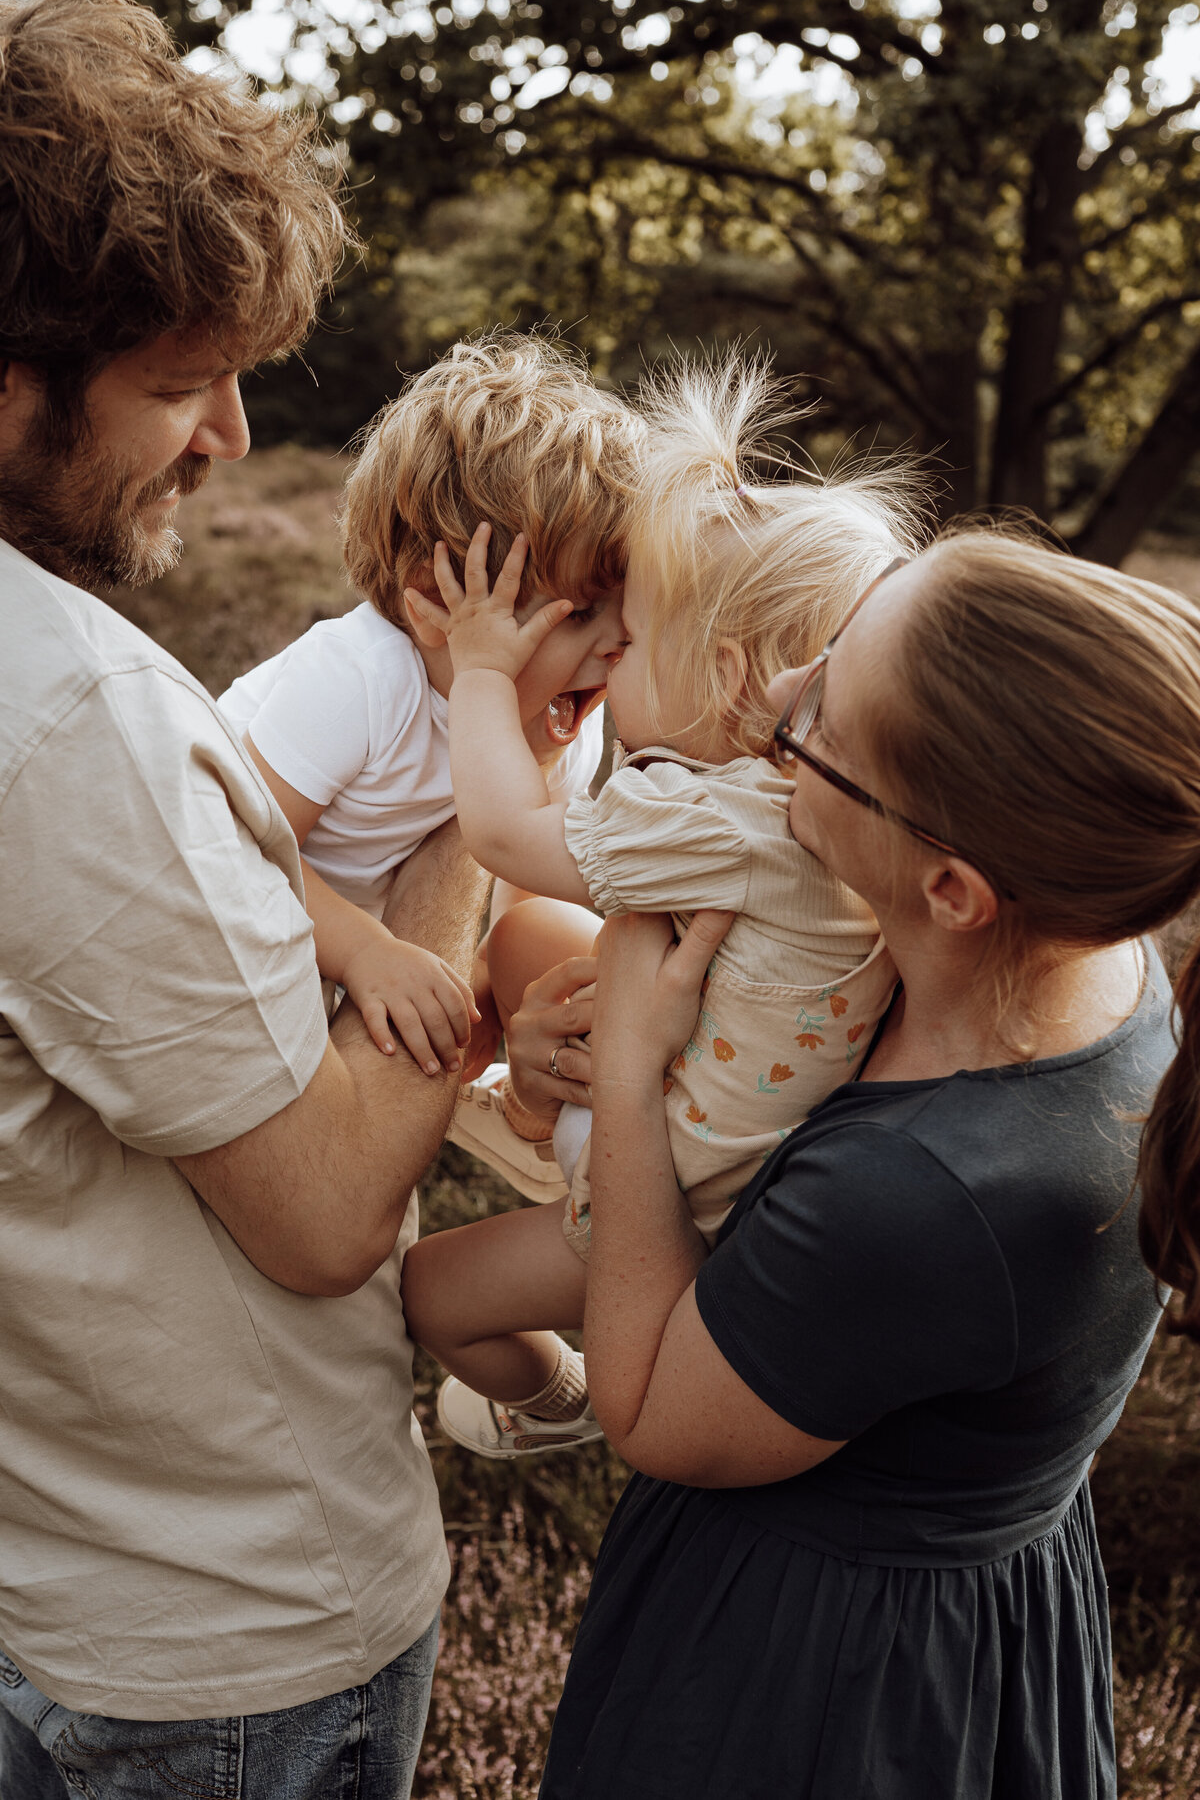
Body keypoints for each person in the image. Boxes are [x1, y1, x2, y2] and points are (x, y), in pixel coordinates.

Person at [0, 0, 488, 1794]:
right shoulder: (64, 717)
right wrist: (463, 849)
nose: (226, 432)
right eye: (174, 381)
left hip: (60, 1551)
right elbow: (322, 1209)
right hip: (224, 1625)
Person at [532, 530, 1194, 1799]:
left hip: (818, 1685)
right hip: (965, 1603)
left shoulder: (922, 1196)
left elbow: (648, 1406)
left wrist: (624, 1072)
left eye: (819, 721)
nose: (779, 695)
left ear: (951, 888)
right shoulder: (1085, 966)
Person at [399, 358, 922, 1457]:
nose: (604, 653)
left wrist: (484, 672)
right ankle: (535, 1113)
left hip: (673, 1200)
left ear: (725, 680)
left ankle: (555, 1399)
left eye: (626, 641)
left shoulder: (716, 821)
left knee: (431, 1292)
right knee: (532, 938)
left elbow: (501, 833)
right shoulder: (816, 801)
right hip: (749, 1120)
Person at [218, 332, 641, 1077]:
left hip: (324, 948)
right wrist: (367, 951)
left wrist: (505, 989)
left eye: (623, 610)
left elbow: (526, 885)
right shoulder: (360, 680)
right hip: (220, 925)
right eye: (578, 615)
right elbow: (233, 851)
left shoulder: (563, 709)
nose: (617, 643)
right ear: (438, 605)